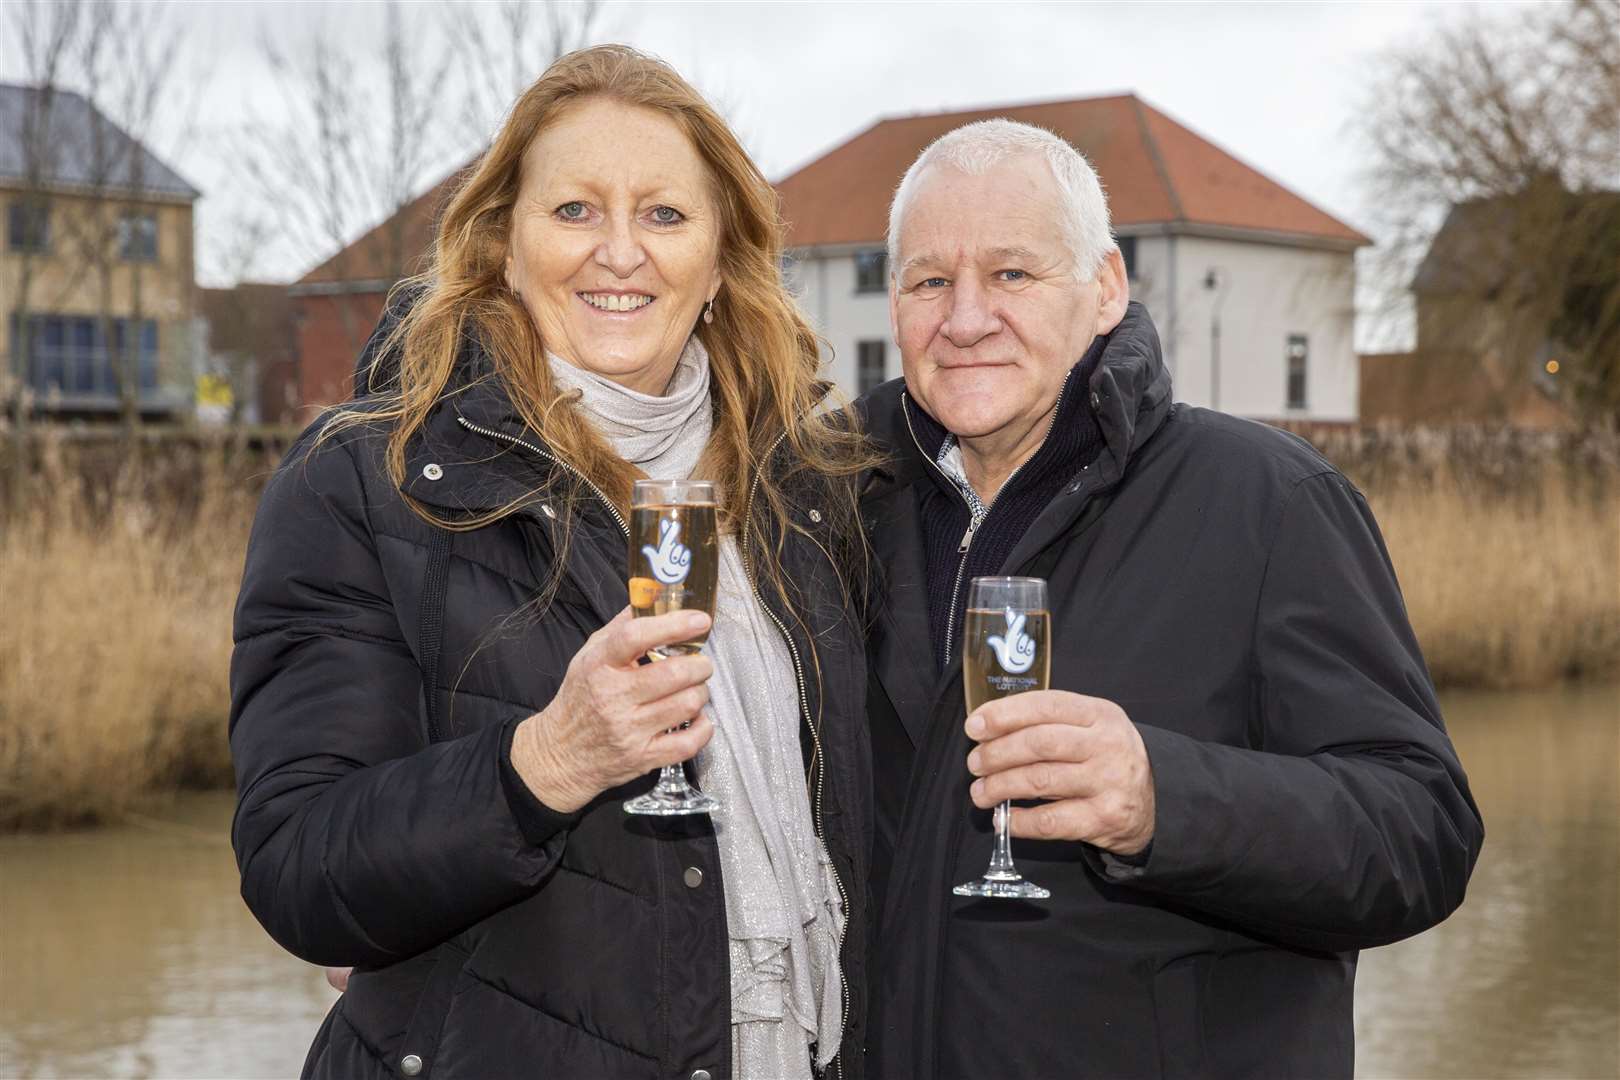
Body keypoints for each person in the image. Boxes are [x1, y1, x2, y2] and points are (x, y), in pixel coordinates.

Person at [230, 45, 876, 1080]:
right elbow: (299, 866)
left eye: (664, 215)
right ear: (500, 246)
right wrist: (548, 762)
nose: (619, 251)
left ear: (717, 261)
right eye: (574, 211)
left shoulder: (805, 484)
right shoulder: (369, 477)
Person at [856, 119, 1484, 1078]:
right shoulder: (829, 503)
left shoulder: (1268, 502)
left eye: (1013, 274)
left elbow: (1421, 830)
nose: (967, 316)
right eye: (930, 280)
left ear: (1105, 288)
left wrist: (1164, 798)